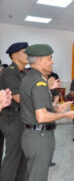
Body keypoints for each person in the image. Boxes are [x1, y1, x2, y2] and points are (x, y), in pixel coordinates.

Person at [20, 44, 74, 181]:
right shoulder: (39, 83)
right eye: (50, 58)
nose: (52, 62)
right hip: (39, 137)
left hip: (33, 135)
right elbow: (41, 117)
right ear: (40, 60)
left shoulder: (29, 78)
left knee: (32, 175)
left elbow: (36, 108)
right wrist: (65, 115)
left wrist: (56, 109)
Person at [0, 42, 29, 181]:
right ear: (14, 55)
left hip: (23, 117)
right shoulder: (9, 71)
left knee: (24, 157)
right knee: (13, 156)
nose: (28, 55)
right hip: (12, 118)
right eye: (25, 52)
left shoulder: (25, 72)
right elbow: (19, 98)